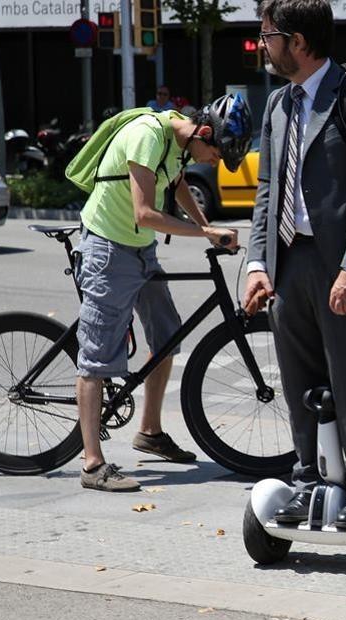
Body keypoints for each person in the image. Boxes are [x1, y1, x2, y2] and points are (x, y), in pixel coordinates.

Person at [244, 0, 346, 530]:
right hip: (289, 261)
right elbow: (268, 191)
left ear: (298, 41)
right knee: (297, 380)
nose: (260, 44)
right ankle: (309, 480)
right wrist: (256, 263)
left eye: (267, 35)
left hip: (340, 264)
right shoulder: (277, 106)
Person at [76, 95, 247, 491]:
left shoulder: (177, 142)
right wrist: (206, 232)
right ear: (203, 133)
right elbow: (145, 213)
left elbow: (177, 182)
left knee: (168, 337)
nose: (214, 162)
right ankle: (92, 464)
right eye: (216, 154)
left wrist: (206, 224)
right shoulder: (147, 136)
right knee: (98, 357)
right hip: (108, 248)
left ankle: (149, 432)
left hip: (141, 249)